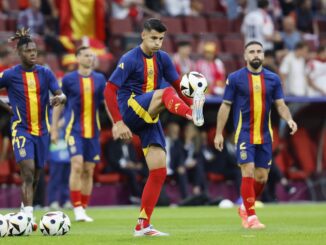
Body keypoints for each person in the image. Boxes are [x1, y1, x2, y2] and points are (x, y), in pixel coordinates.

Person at [104, 18, 205, 236]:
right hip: (131, 109)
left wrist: (192, 103)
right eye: (153, 38)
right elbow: (109, 90)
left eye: (161, 39)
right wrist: (118, 121)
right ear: (143, 35)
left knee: (159, 170)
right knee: (164, 92)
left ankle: (142, 225)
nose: (158, 43)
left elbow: (180, 87)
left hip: (150, 116)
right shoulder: (129, 58)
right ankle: (190, 113)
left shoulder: (164, 59)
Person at [214, 40, 297, 229]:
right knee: (248, 171)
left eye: (259, 51)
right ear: (245, 56)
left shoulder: (273, 79)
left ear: (264, 55)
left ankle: (245, 206)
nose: (256, 54)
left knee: (261, 177)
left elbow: (281, 105)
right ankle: (251, 217)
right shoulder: (235, 78)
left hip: (265, 135)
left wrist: (289, 119)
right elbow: (225, 106)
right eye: (251, 51)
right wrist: (219, 133)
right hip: (244, 134)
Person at [0, 28, 66, 230]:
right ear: (19, 53)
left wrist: (58, 98)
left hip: (42, 131)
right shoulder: (10, 75)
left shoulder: (45, 73)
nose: (33, 53)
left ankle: (24, 211)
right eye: (28, 50)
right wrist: (7, 107)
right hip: (21, 130)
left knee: (36, 175)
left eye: (35, 50)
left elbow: (60, 94)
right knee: (27, 171)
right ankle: (28, 218)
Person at [51, 46, 107, 222]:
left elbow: (107, 103)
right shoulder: (68, 79)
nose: (90, 58)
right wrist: (54, 128)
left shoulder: (99, 79)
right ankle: (76, 208)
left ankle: (83, 207)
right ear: (77, 58)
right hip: (73, 129)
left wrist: (117, 123)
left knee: (88, 170)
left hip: (93, 130)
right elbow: (59, 104)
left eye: (92, 55)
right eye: (86, 55)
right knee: (77, 164)